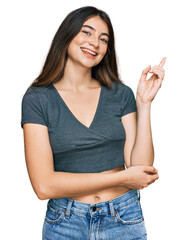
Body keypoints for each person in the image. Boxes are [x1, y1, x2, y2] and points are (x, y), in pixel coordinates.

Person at [21, 6, 166, 240]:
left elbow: (141, 167)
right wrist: (122, 177)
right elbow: (43, 186)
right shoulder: (38, 99)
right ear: (67, 35)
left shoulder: (120, 93)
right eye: (86, 32)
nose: (95, 43)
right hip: (66, 222)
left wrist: (144, 103)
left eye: (103, 39)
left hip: (123, 217)